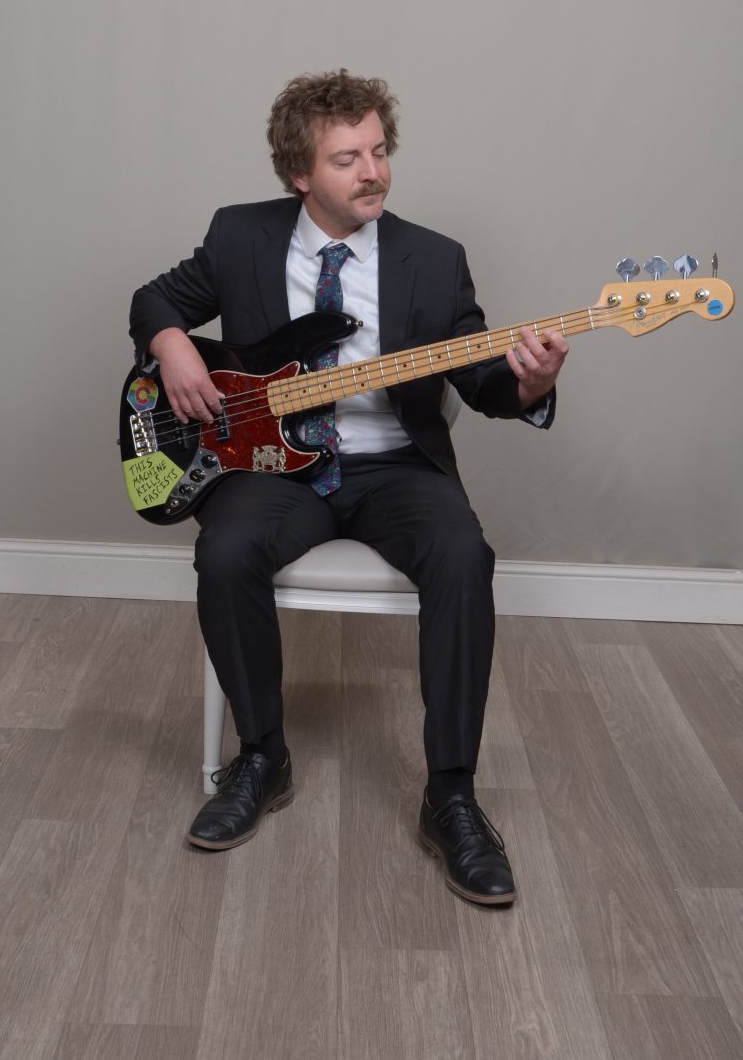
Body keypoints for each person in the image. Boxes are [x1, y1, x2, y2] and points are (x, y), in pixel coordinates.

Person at [129, 70, 568, 906]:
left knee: (463, 554)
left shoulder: (434, 259)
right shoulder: (240, 235)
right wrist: (173, 345)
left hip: (393, 465)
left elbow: (481, 381)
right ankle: (263, 755)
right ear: (299, 173)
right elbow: (154, 298)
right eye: (347, 159)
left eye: (379, 150)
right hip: (274, 469)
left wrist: (531, 383)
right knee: (225, 551)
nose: (374, 172)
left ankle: (452, 794)